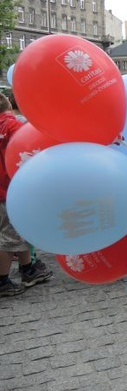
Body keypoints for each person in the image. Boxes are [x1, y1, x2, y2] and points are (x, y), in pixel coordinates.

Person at [0, 93, 52, 297]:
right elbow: (30, 148)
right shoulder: (14, 126)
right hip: (10, 189)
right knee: (7, 238)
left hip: (3, 191)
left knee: (16, 233)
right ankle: (2, 281)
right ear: (9, 107)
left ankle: (28, 269)